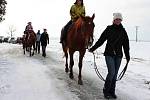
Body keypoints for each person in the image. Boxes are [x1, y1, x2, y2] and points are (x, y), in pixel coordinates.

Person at [89, 13, 130, 99]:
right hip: (109, 54)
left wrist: (127, 56)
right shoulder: (109, 29)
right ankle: (106, 90)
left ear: (121, 20)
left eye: (119, 19)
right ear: (114, 20)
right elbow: (101, 40)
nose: (118, 21)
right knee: (111, 72)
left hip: (118, 55)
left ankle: (112, 91)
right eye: (116, 19)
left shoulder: (123, 31)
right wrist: (93, 48)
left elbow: (126, 45)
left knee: (115, 74)